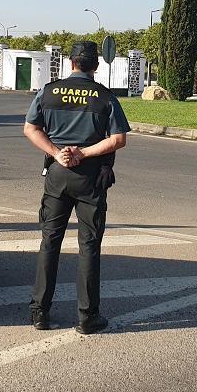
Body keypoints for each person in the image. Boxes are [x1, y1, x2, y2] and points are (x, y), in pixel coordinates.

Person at [23, 41, 130, 335]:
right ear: (96, 65)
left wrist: (57, 152)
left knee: (50, 242)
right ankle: (87, 317)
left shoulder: (49, 91)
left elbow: (30, 128)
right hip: (91, 178)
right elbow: (118, 139)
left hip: (57, 173)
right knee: (89, 245)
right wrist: (84, 153)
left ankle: (39, 313)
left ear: (70, 63)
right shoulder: (105, 97)